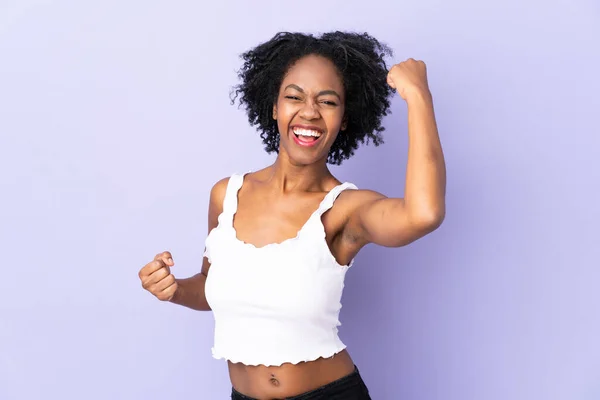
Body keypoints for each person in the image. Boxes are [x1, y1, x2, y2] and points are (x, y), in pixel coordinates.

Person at [138, 31, 446, 399]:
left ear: (344, 118)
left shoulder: (345, 210)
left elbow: (423, 214)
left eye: (328, 101)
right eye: (294, 97)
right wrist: (173, 290)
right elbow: (210, 286)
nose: (309, 111)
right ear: (274, 107)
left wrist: (418, 97)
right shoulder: (227, 195)